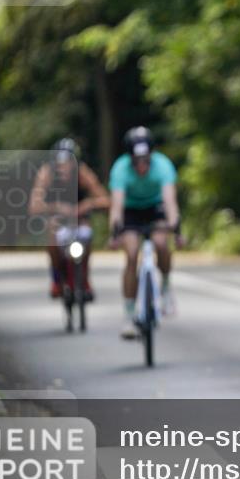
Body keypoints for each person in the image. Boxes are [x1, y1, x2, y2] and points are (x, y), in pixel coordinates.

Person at [107, 126, 184, 339]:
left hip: (155, 208)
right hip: (131, 210)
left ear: (152, 155)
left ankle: (166, 286)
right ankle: (129, 314)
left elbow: (170, 201)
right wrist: (114, 233)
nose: (141, 166)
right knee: (131, 254)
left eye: (145, 160)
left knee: (161, 243)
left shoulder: (163, 166)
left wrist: (176, 229)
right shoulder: (120, 169)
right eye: (137, 161)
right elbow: (117, 206)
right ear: (130, 158)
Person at [29, 138, 110, 300]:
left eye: (67, 163)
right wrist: (56, 207)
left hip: (79, 217)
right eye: (59, 163)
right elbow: (34, 206)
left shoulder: (83, 173)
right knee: (52, 232)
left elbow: (106, 200)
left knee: (87, 234)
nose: (63, 168)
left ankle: (85, 279)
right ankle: (57, 279)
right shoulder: (46, 173)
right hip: (57, 218)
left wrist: (87, 205)